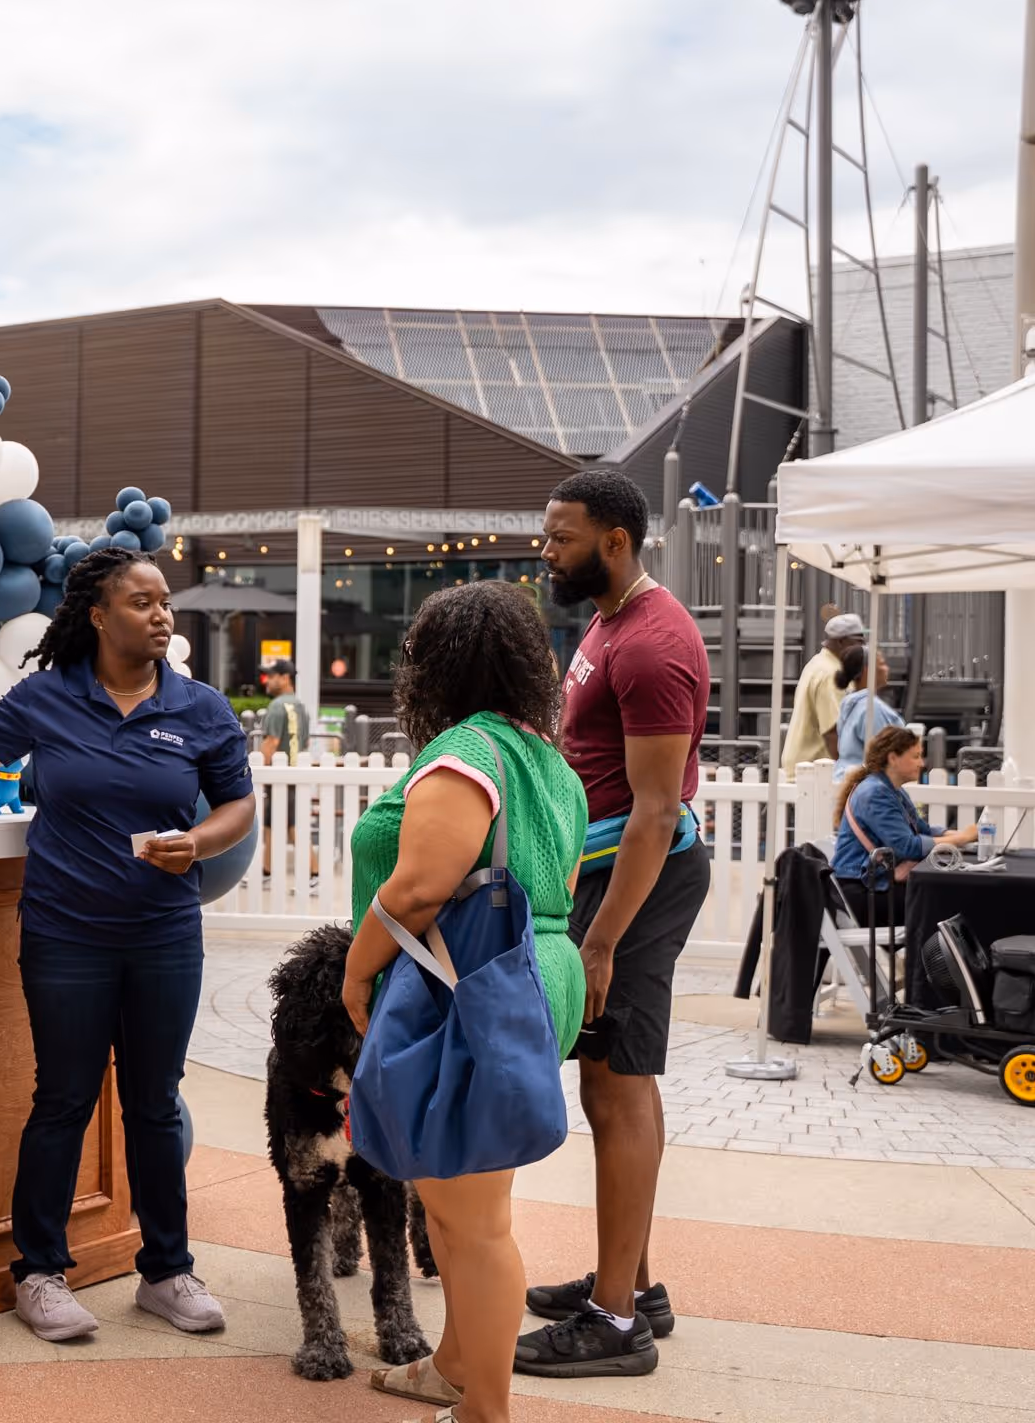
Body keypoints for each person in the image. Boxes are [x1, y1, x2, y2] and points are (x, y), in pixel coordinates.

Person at [0, 547, 256, 1344]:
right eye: (142, 603)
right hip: (66, 934)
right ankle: (39, 1273)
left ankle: (167, 1272)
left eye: (164, 601)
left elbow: (239, 807)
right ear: (100, 616)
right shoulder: (49, 696)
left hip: (165, 936)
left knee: (154, 1101)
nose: (162, 614)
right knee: (63, 1098)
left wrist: (198, 842)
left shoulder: (200, 708)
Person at [342, 581, 586, 1423]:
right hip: (521, 979)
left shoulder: (467, 751)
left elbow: (418, 889)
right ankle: (454, 1365)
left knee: (473, 1221)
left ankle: (486, 1409)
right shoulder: (542, 758)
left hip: (470, 986)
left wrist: (354, 971)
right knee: (457, 1197)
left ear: (433, 667)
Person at [520, 469, 710, 1381]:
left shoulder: (653, 643)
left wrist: (600, 938)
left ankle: (616, 1321)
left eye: (561, 537)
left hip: (641, 879)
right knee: (614, 1084)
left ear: (616, 540)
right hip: (604, 873)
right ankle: (633, 1278)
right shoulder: (608, 620)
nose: (545, 550)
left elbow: (656, 810)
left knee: (616, 1088)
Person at [831, 726, 975, 916]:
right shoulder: (876, 793)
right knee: (943, 900)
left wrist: (964, 834)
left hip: (873, 883)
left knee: (944, 895)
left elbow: (923, 830)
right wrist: (962, 838)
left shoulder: (892, 790)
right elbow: (907, 846)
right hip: (862, 890)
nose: (921, 763)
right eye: (915, 756)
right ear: (893, 758)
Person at [781, 613, 867, 773]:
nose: (863, 648)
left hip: (805, 769)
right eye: (859, 642)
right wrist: (850, 774)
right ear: (841, 641)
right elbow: (832, 732)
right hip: (816, 774)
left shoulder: (818, 663)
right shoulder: (830, 674)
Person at [258, 658, 316, 880]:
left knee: (293, 826)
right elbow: (307, 742)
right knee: (272, 823)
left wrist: (257, 771)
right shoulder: (301, 707)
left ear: (285, 678)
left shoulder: (276, 706)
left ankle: (314, 874)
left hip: (278, 775)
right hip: (296, 773)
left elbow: (271, 742)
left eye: (272, 676)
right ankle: (267, 870)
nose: (268, 680)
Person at [833, 649, 904, 781]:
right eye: (882, 664)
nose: (886, 669)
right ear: (868, 670)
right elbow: (884, 756)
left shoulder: (850, 705)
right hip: (865, 786)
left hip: (844, 781)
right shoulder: (872, 709)